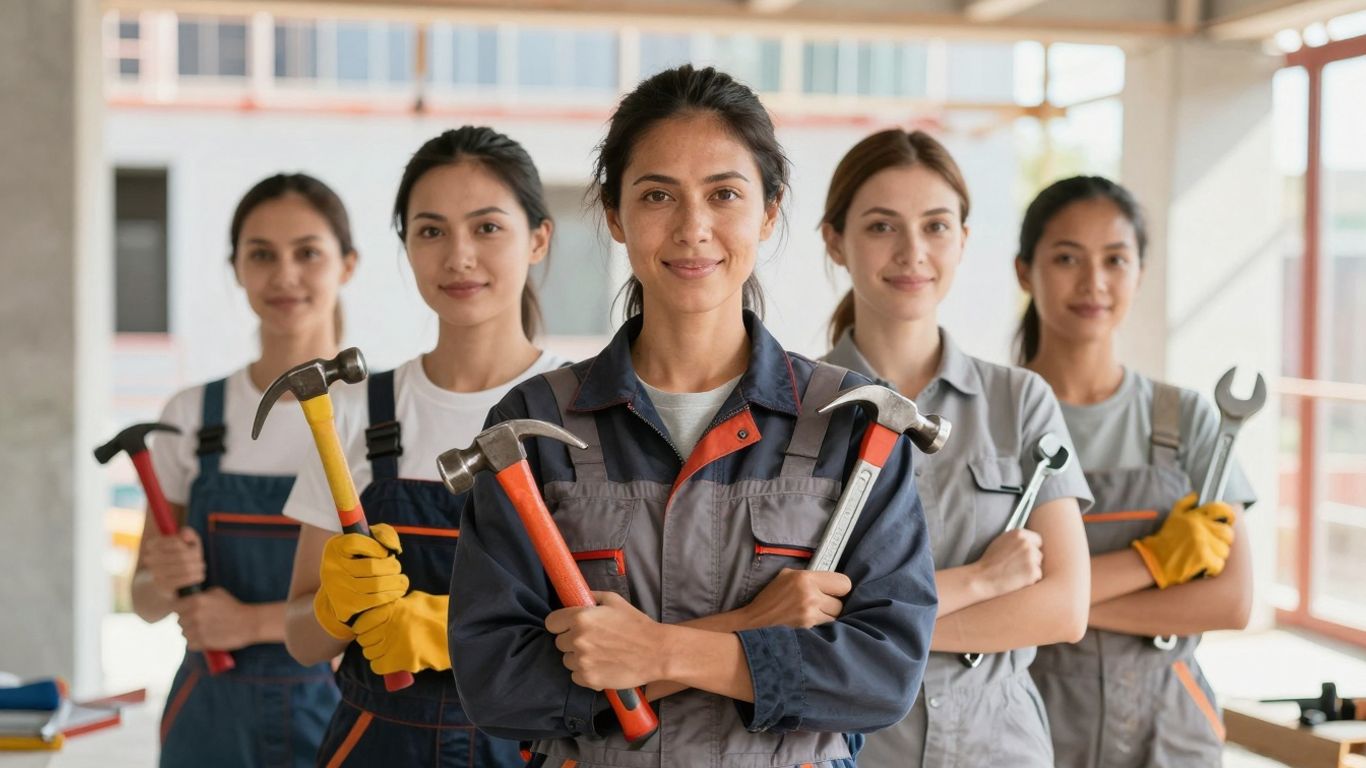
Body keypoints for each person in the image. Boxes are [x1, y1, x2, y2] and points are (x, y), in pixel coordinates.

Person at [448, 64, 938, 767]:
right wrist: (747, 631)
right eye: (657, 195)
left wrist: (658, 651)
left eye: (725, 194)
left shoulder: (849, 426)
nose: (692, 228)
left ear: (769, 213)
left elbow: (881, 676)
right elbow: (497, 683)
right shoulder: (535, 424)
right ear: (614, 215)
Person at [280, 127, 569, 765]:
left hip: (528, 749)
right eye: (431, 231)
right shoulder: (352, 412)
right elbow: (300, 637)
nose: (458, 256)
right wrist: (332, 610)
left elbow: (620, 633)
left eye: (487, 228)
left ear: (539, 239)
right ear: (407, 247)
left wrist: (460, 633)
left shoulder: (584, 413)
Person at [818, 129, 1093, 768]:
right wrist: (984, 582)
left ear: (964, 240)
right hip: (855, 751)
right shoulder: (795, 409)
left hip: (1001, 750)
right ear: (836, 240)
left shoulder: (1020, 401)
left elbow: (1063, 607)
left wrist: (869, 636)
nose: (913, 252)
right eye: (882, 226)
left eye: (936, 226)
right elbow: (785, 614)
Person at [1016, 176, 1256, 768]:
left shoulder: (1187, 419)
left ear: (1140, 274)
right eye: (1067, 257)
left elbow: (1231, 601)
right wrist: (1155, 567)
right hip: (1031, 721)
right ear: (1025, 271)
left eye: (1116, 260)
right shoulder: (996, 415)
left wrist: (1057, 609)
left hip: (1169, 731)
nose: (1094, 282)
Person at [135, 173, 354, 766]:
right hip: (208, 719)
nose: (284, 275)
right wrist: (163, 576)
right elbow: (145, 600)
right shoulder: (192, 416)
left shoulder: (376, 417)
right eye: (262, 254)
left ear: (347, 264)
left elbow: (402, 604)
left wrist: (251, 623)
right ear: (236, 268)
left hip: (341, 710)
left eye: (308, 252)